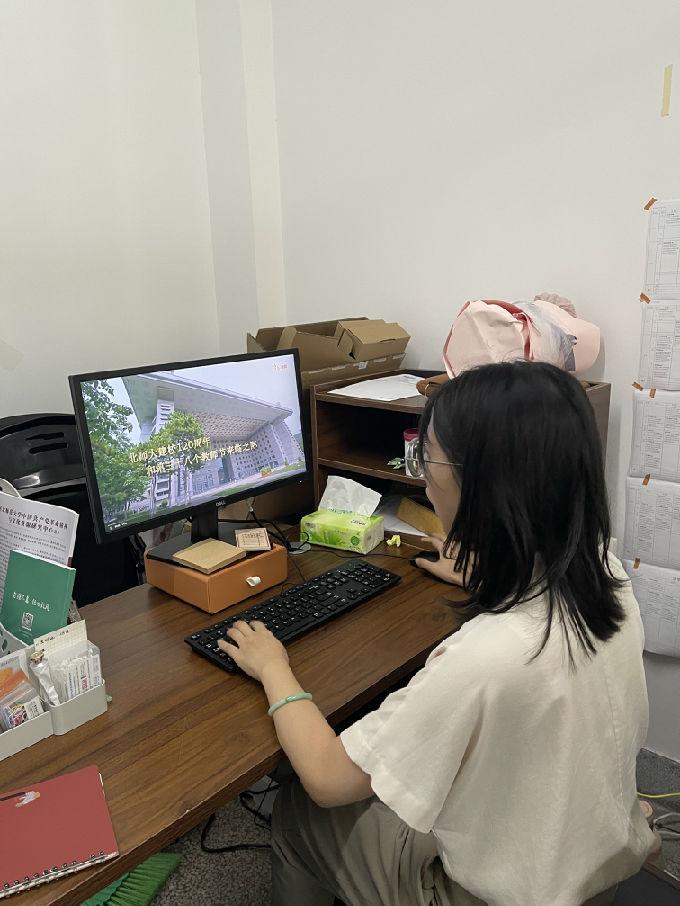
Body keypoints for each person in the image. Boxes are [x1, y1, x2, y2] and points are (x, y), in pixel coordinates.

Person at [218, 361, 657, 906]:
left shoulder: (486, 657)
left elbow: (330, 780)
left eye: (428, 458)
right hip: (584, 862)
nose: (422, 477)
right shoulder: (607, 574)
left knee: (298, 807)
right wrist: (491, 569)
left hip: (487, 896)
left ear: (485, 483)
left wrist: (273, 667)